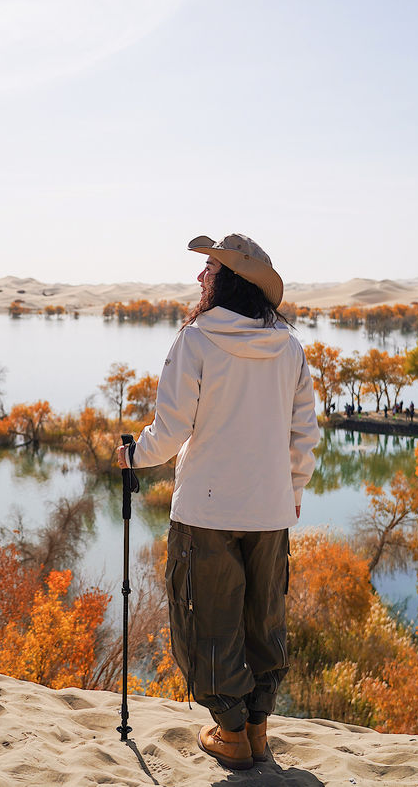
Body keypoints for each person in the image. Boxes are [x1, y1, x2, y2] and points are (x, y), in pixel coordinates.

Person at [117, 233, 319, 771]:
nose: (200, 277)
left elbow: (171, 428)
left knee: (209, 619)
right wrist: (293, 492)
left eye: (208, 268)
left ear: (227, 280)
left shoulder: (196, 340)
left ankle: (231, 735)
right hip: (271, 511)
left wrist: (133, 457)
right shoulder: (291, 347)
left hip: (206, 512)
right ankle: (257, 731)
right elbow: (306, 435)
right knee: (263, 619)